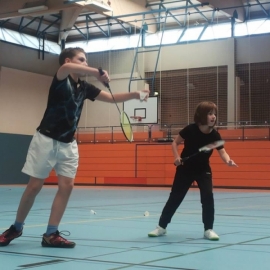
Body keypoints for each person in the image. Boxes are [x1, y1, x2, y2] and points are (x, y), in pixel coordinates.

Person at [0, 47, 149, 248]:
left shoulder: (85, 88)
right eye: (82, 60)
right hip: (46, 138)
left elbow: (111, 98)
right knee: (34, 186)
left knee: (67, 187)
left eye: (87, 60)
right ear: (69, 60)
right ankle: (16, 228)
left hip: (69, 144)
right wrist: (97, 72)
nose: (85, 63)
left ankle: (51, 234)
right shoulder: (61, 78)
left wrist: (136, 94)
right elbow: (66, 67)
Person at [148, 101, 237, 240]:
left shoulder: (215, 135)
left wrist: (228, 161)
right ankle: (161, 227)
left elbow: (222, 152)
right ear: (202, 115)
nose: (213, 117)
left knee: (207, 197)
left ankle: (208, 229)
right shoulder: (190, 129)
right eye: (209, 114)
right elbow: (175, 143)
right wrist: (177, 157)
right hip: (185, 168)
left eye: (214, 114)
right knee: (175, 198)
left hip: (203, 170)